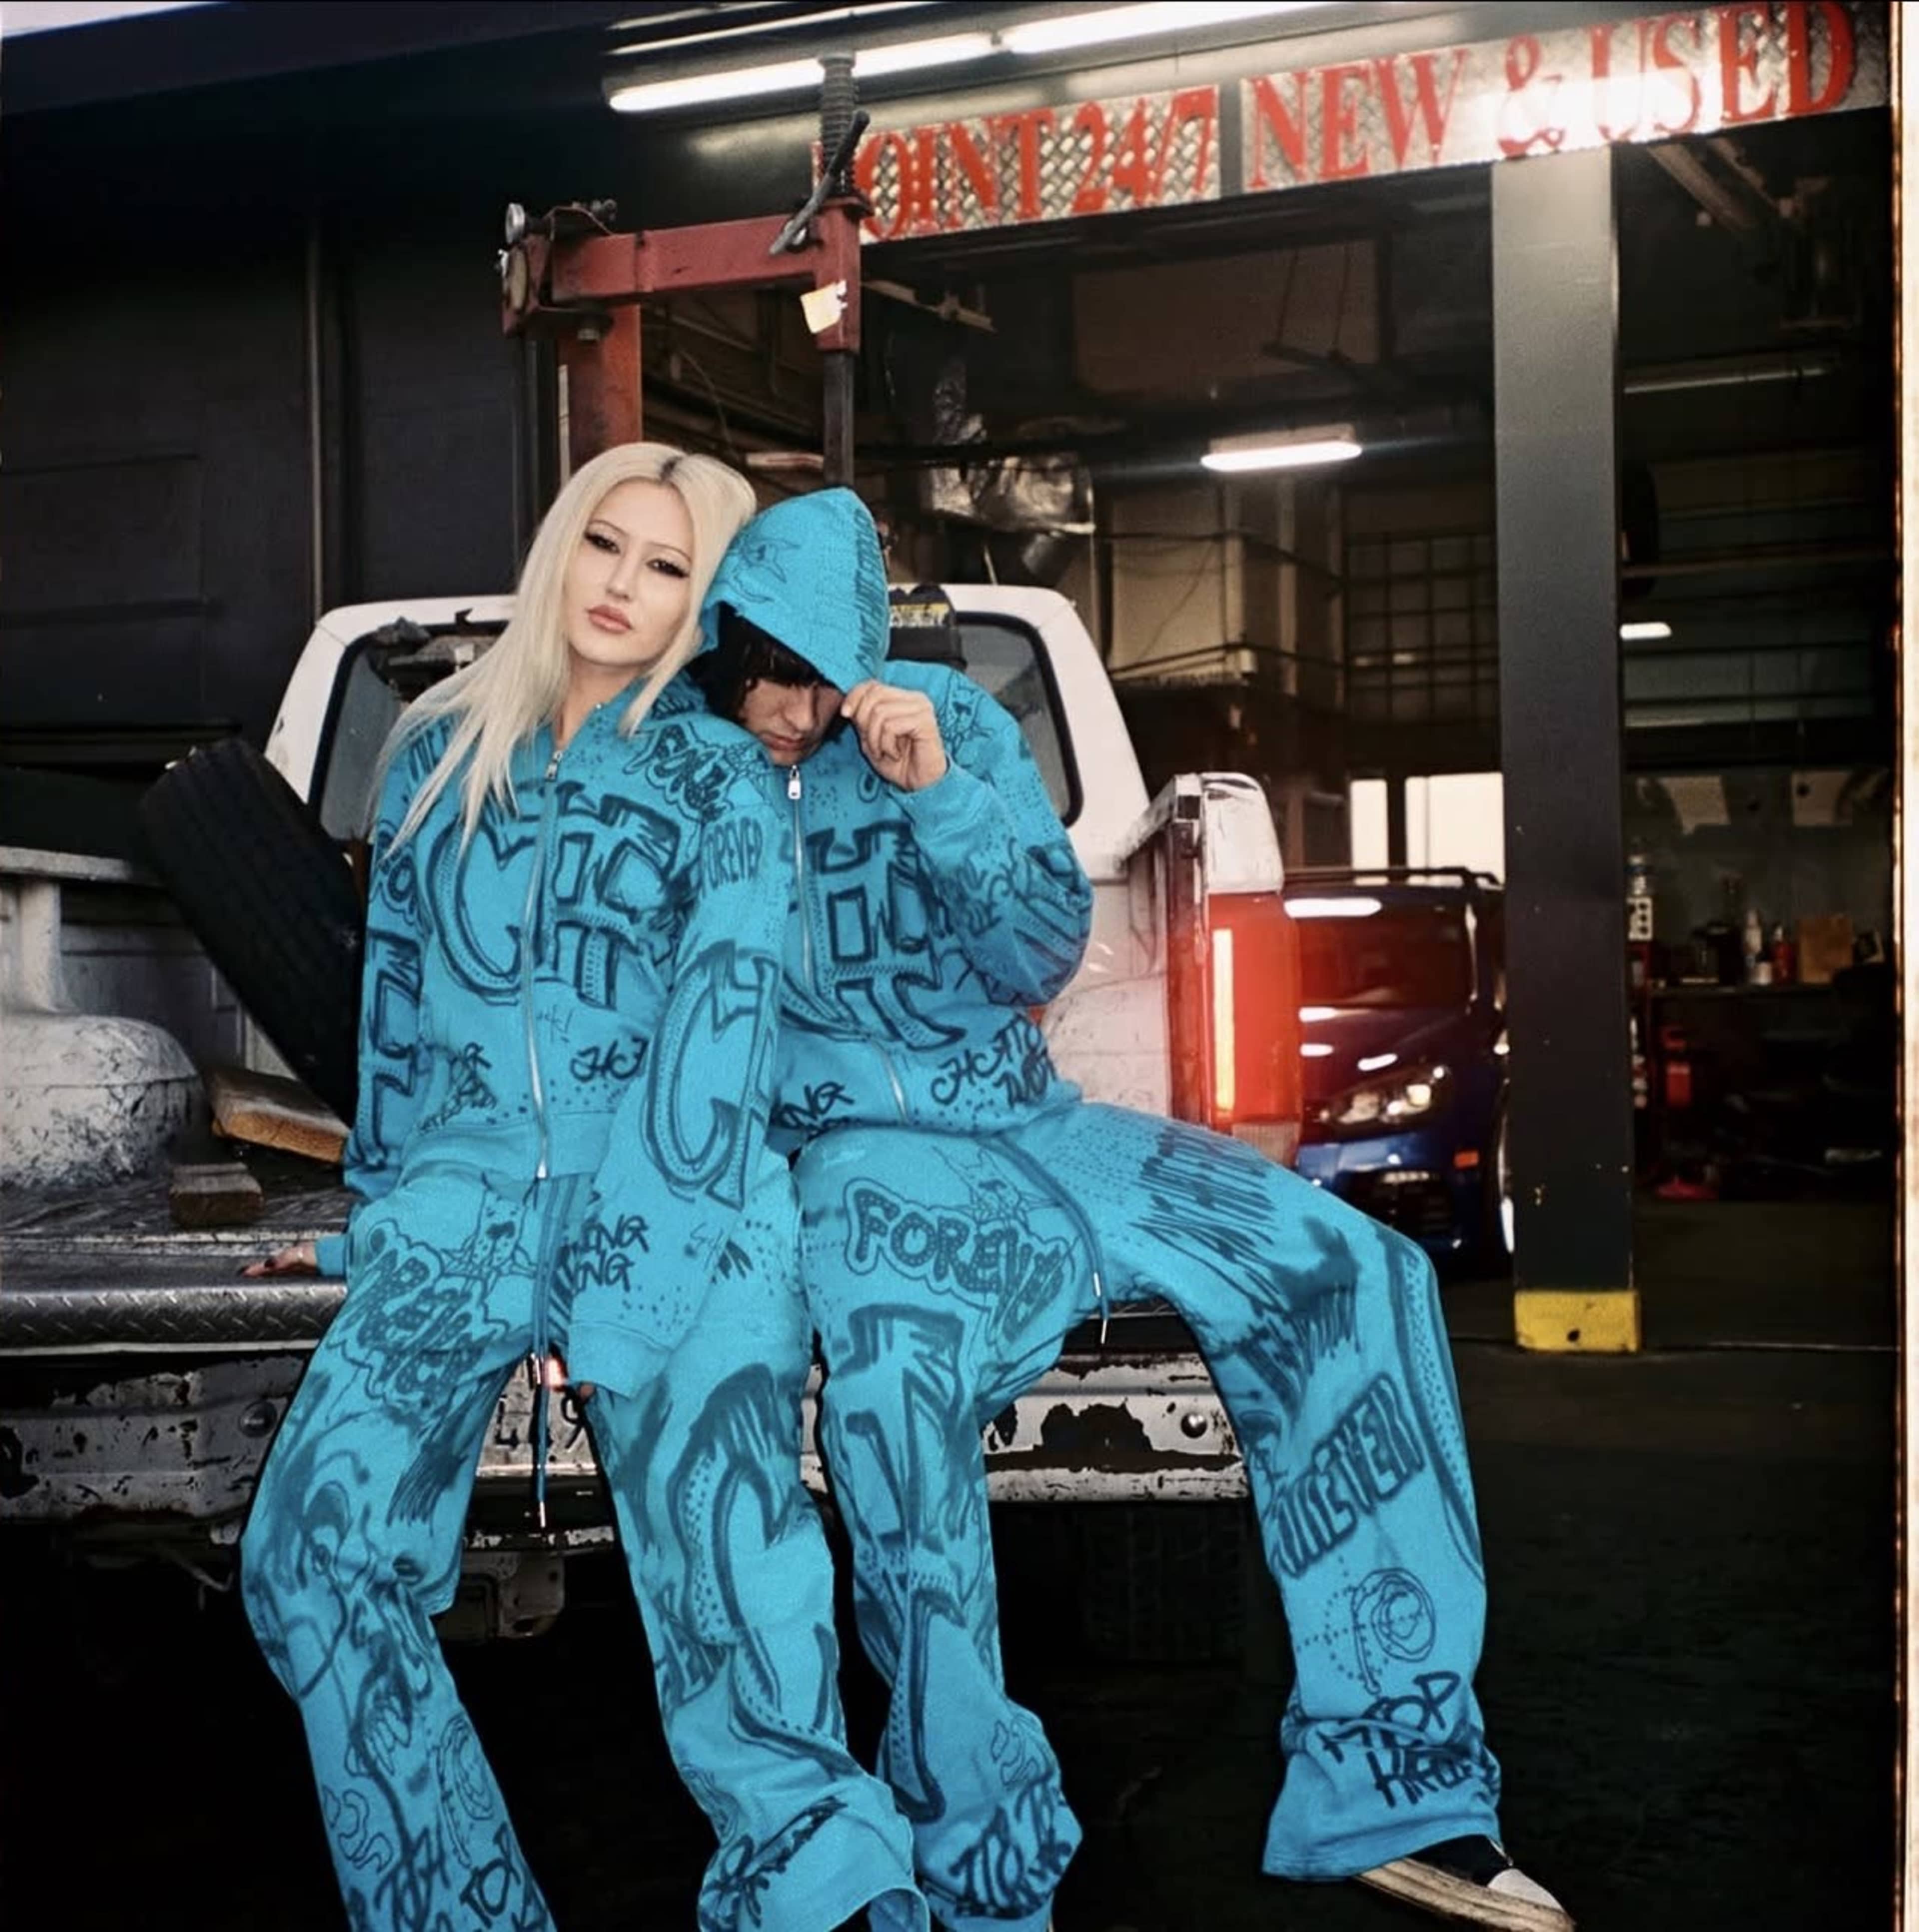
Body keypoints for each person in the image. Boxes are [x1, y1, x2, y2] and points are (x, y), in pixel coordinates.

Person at [685, 486, 1572, 1932]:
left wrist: (942, 795)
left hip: (1041, 1127)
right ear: (721, 649)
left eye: (814, 678)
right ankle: (974, 1852)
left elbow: (1044, 949)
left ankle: (1396, 1785)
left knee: (1357, 1270)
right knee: (894, 1397)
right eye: (762, 677)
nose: (789, 712)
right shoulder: (681, 773)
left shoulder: (948, 724)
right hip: (859, 1159)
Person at [239, 445, 924, 1932]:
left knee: (742, 1617)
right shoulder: (435, 747)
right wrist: (385, 1214)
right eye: (605, 543)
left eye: (667, 566)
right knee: (310, 1556)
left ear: (705, 598)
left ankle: (821, 1900)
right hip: (465, 1199)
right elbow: (395, 1011)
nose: (622, 585)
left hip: (687, 1202)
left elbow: (724, 1038)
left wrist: (616, 1306)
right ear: (563, 545)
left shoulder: (723, 775)